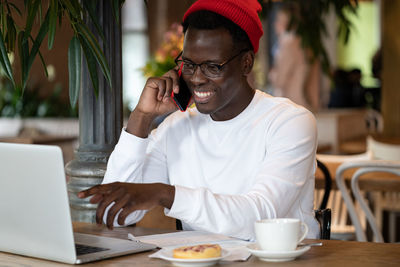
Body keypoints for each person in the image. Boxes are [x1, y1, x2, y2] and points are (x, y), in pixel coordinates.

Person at [78, 0, 319, 241]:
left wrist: (166, 194)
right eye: (190, 65)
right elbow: (114, 213)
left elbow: (260, 218)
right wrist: (141, 117)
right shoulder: (175, 127)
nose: (197, 79)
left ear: (246, 63)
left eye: (213, 67)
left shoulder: (290, 122)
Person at [268, 7, 320, 111]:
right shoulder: (306, 45)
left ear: (285, 24)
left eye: (278, 20)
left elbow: (280, 80)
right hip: (306, 103)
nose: (275, 24)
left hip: (293, 104)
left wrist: (272, 74)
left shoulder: (289, 45)